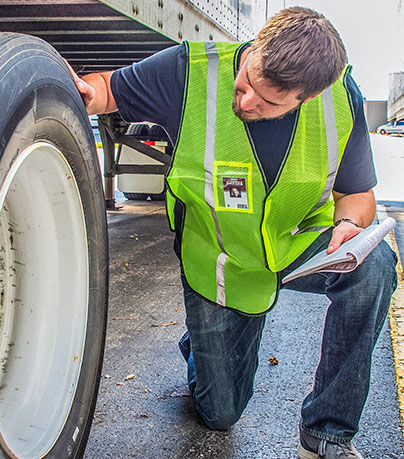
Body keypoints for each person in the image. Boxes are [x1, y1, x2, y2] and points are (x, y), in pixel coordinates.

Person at [68, 7, 398, 458]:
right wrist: (80, 90)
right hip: (219, 261)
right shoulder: (189, 71)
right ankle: (203, 345)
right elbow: (106, 89)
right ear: (256, 44)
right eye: (247, 82)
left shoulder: (341, 98)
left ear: (306, 96)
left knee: (376, 265)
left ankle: (327, 432)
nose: (245, 102)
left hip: (296, 245)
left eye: (268, 102)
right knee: (219, 414)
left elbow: (358, 195)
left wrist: (347, 226)